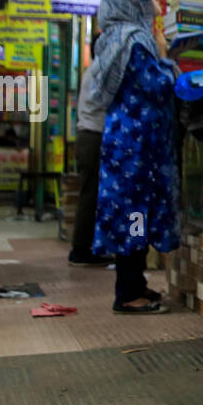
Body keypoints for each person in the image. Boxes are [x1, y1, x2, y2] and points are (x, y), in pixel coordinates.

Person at [88, 0, 181, 313]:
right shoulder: (135, 41)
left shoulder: (111, 38)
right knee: (135, 215)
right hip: (138, 148)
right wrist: (166, 56)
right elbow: (156, 86)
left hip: (125, 144)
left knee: (132, 213)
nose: (149, 1)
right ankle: (128, 294)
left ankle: (135, 285)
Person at [68, 28, 113, 267]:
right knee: (91, 195)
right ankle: (80, 250)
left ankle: (88, 247)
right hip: (93, 137)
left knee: (92, 194)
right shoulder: (101, 70)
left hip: (90, 136)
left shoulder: (95, 69)